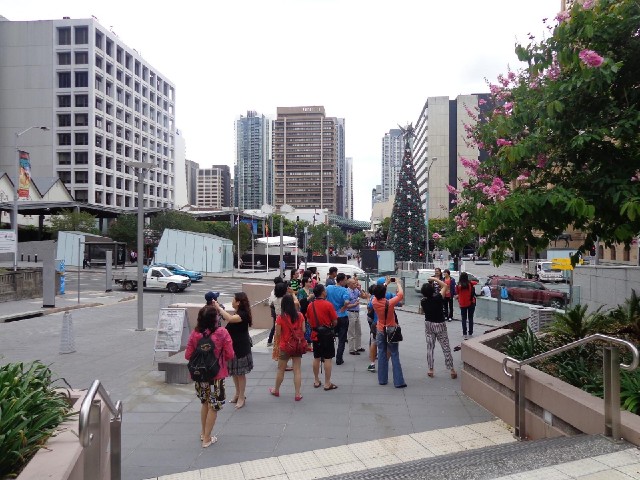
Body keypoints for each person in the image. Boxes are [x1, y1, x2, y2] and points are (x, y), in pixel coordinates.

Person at [184, 306, 234, 448]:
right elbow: (230, 354)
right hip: (216, 376)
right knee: (214, 406)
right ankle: (207, 438)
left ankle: (203, 432)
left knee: (205, 402)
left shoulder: (195, 334)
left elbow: (187, 355)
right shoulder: (222, 333)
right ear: (215, 319)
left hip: (200, 376)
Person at [215, 292, 253, 410]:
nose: (231, 301)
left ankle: (241, 396)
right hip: (233, 347)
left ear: (238, 302)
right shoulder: (239, 312)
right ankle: (237, 394)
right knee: (235, 373)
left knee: (240, 374)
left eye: (233, 299)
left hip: (241, 347)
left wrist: (218, 308)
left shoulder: (243, 314)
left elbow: (230, 319)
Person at [270, 294, 306, 401]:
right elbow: (303, 331)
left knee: (281, 369)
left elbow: (277, 334)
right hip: (297, 346)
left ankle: (276, 390)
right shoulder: (300, 316)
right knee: (297, 370)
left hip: (285, 346)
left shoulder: (280, 318)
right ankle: (297, 394)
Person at [372, 276, 406, 388]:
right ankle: (398, 381)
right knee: (394, 354)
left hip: (380, 329)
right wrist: (398, 283)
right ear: (385, 293)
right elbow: (400, 295)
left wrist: (385, 284)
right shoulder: (389, 303)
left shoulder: (374, 301)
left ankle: (382, 379)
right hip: (391, 328)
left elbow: (378, 293)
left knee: (381, 353)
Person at [421, 278, 457, 379]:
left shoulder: (423, 301)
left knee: (430, 347)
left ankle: (431, 369)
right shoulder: (438, 298)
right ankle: (452, 369)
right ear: (433, 290)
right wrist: (434, 279)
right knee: (445, 347)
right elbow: (445, 286)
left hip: (429, 324)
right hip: (440, 324)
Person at [306, 284, 338, 390]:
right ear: (323, 292)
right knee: (328, 358)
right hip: (327, 334)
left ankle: (316, 380)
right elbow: (334, 321)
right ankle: (327, 383)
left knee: (316, 357)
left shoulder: (311, 305)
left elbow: (309, 320)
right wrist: (331, 326)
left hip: (315, 334)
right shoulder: (328, 305)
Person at [325, 273, 350, 365]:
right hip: (342, 316)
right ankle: (339, 359)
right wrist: (344, 307)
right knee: (342, 338)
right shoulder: (344, 290)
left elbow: (323, 296)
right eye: (345, 280)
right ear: (341, 281)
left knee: (329, 337)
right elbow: (347, 301)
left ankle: (327, 356)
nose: (346, 281)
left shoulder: (329, 288)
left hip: (331, 316)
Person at [346, 276, 368, 356]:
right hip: (350, 312)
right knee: (351, 331)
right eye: (354, 283)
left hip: (357, 311)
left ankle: (358, 346)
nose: (356, 284)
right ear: (349, 284)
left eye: (356, 283)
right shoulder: (347, 292)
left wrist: (359, 289)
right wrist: (354, 304)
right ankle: (352, 349)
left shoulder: (356, 290)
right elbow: (346, 305)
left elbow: (365, 296)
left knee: (358, 330)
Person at [455, 272, 477, 340]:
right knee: (470, 318)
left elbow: (457, 293)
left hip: (463, 303)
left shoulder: (458, 285)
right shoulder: (470, 284)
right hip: (471, 302)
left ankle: (464, 333)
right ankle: (470, 332)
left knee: (464, 318)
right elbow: (476, 282)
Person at [267, 277, 285, 347]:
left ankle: (271, 340)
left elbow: (270, 302)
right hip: (277, 312)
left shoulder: (274, 291)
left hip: (276, 311)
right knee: (276, 326)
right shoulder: (278, 293)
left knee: (276, 326)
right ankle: (271, 340)